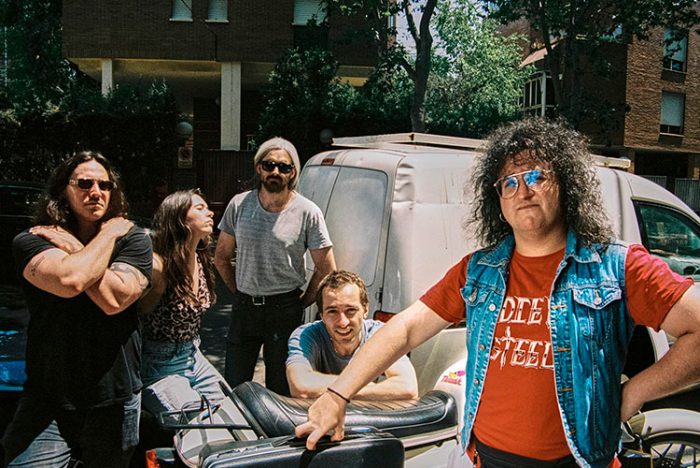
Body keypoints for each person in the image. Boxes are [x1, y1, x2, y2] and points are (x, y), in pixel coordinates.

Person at [295, 118, 700, 467]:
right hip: (486, 459)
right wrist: (337, 394)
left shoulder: (618, 266)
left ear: (565, 184)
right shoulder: (478, 270)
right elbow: (404, 329)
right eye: (509, 182)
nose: (523, 190)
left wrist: (633, 393)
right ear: (498, 201)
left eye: (537, 176)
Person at [3, 151, 152, 467]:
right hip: (48, 398)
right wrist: (109, 233)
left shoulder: (133, 241)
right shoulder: (33, 240)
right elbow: (70, 280)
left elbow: (115, 300)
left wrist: (76, 247)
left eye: (105, 185)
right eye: (84, 183)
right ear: (63, 190)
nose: (96, 192)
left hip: (116, 397)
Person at [215, 137, 336, 396]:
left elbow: (326, 268)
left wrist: (303, 302)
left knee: (280, 390)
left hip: (284, 310)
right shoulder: (239, 204)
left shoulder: (308, 212)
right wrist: (239, 291)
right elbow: (221, 257)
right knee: (235, 386)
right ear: (258, 168)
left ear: (293, 173)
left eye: (284, 167)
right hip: (245, 309)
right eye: (269, 165)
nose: (275, 172)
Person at [139, 189, 227, 419]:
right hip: (159, 363)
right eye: (200, 208)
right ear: (179, 218)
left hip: (193, 355)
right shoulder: (159, 265)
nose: (210, 213)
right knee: (195, 423)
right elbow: (136, 315)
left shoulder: (199, 257)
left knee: (231, 414)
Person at [286, 270, 417, 400]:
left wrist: (333, 388)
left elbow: (408, 388)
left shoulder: (380, 334)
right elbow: (301, 387)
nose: (343, 322)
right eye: (332, 311)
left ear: (365, 310)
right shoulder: (306, 335)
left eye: (350, 310)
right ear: (322, 315)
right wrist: (371, 388)